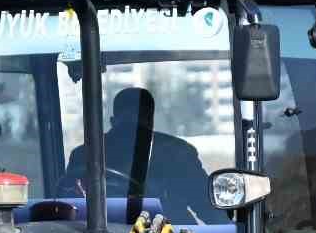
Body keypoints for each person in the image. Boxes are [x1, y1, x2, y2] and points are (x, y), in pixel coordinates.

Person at [63, 87, 216, 222]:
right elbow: (69, 209)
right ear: (151, 121)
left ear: (112, 121)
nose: (132, 135)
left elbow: (208, 209)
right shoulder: (178, 152)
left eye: (137, 125)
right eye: (126, 127)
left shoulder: (84, 154)